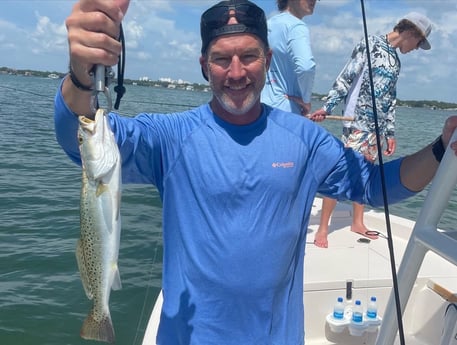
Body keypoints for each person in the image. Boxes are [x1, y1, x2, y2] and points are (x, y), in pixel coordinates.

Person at [55, 1, 457, 343]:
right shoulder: (170, 138)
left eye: (248, 56)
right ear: (203, 65)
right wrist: (80, 72)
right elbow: (79, 138)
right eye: (220, 59)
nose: (236, 72)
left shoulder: (306, 140)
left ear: (266, 59)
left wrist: (442, 148)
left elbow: (374, 186)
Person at [310, 12, 433, 248]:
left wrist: (390, 133)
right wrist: (327, 107)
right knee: (341, 173)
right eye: (419, 42)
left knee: (367, 173)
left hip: (376, 129)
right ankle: (324, 227)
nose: (417, 48)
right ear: (412, 32)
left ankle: (358, 221)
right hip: (356, 122)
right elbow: (345, 78)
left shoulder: (396, 62)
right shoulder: (370, 44)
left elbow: (390, 100)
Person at [261, 0, 317, 116]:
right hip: (286, 111)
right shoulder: (296, 26)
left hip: (259, 107)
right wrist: (306, 101)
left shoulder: (266, 25)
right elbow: (306, 67)